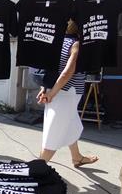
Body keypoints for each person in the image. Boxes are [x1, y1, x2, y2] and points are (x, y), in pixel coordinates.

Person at [37, 19, 99, 167]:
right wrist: (52, 93)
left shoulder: (56, 41)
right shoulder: (76, 44)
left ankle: (77, 157)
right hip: (66, 93)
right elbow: (67, 72)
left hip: (55, 90)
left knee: (71, 126)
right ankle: (35, 170)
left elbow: (46, 68)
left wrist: (44, 89)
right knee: (54, 134)